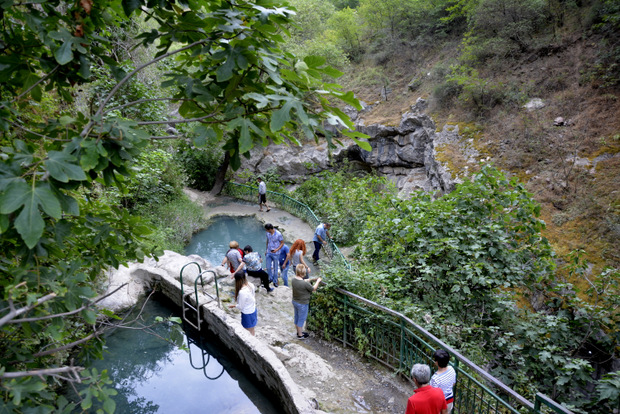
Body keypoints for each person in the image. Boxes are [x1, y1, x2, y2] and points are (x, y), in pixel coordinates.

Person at [291, 264, 321, 339]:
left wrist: (309, 280)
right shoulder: (305, 284)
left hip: (295, 301)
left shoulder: (293, 280)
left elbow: (301, 281)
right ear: (303, 273)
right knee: (301, 319)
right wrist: (318, 281)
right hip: (303, 304)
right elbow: (313, 288)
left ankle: (298, 331)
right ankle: (300, 335)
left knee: (297, 317)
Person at [228, 270, 257, 336]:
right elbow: (252, 297)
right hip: (253, 309)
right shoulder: (250, 285)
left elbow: (241, 306)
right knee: (252, 329)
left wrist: (234, 306)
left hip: (247, 313)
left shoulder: (242, 292)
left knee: (247, 331)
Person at [430, 350, 456, 414]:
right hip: (449, 399)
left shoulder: (435, 378)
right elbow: (453, 383)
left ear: (436, 362)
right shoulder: (451, 369)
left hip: (440, 403)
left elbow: (434, 394)